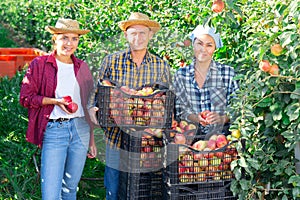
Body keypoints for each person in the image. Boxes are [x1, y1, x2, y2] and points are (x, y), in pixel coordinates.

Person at [89, 12, 171, 200]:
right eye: (133, 33)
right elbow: (97, 90)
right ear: (126, 35)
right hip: (115, 133)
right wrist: (91, 108)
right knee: (114, 180)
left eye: (143, 33)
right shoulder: (111, 61)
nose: (138, 38)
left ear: (150, 35)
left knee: (143, 184)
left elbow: (165, 100)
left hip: (146, 138)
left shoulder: (160, 66)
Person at [19, 18, 97, 200]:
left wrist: (92, 139)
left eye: (74, 38)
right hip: (55, 131)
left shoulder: (82, 67)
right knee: (51, 194)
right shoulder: (40, 64)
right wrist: (53, 101)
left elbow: (88, 105)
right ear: (55, 38)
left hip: (81, 131)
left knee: (70, 188)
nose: (69, 43)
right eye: (64, 38)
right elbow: (25, 98)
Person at [173, 25, 239, 138]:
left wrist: (222, 118)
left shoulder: (228, 73)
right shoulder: (181, 75)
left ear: (215, 48)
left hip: (222, 138)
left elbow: (237, 106)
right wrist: (196, 118)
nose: (203, 49)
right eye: (199, 43)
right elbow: (180, 110)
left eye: (209, 45)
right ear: (193, 44)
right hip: (191, 139)